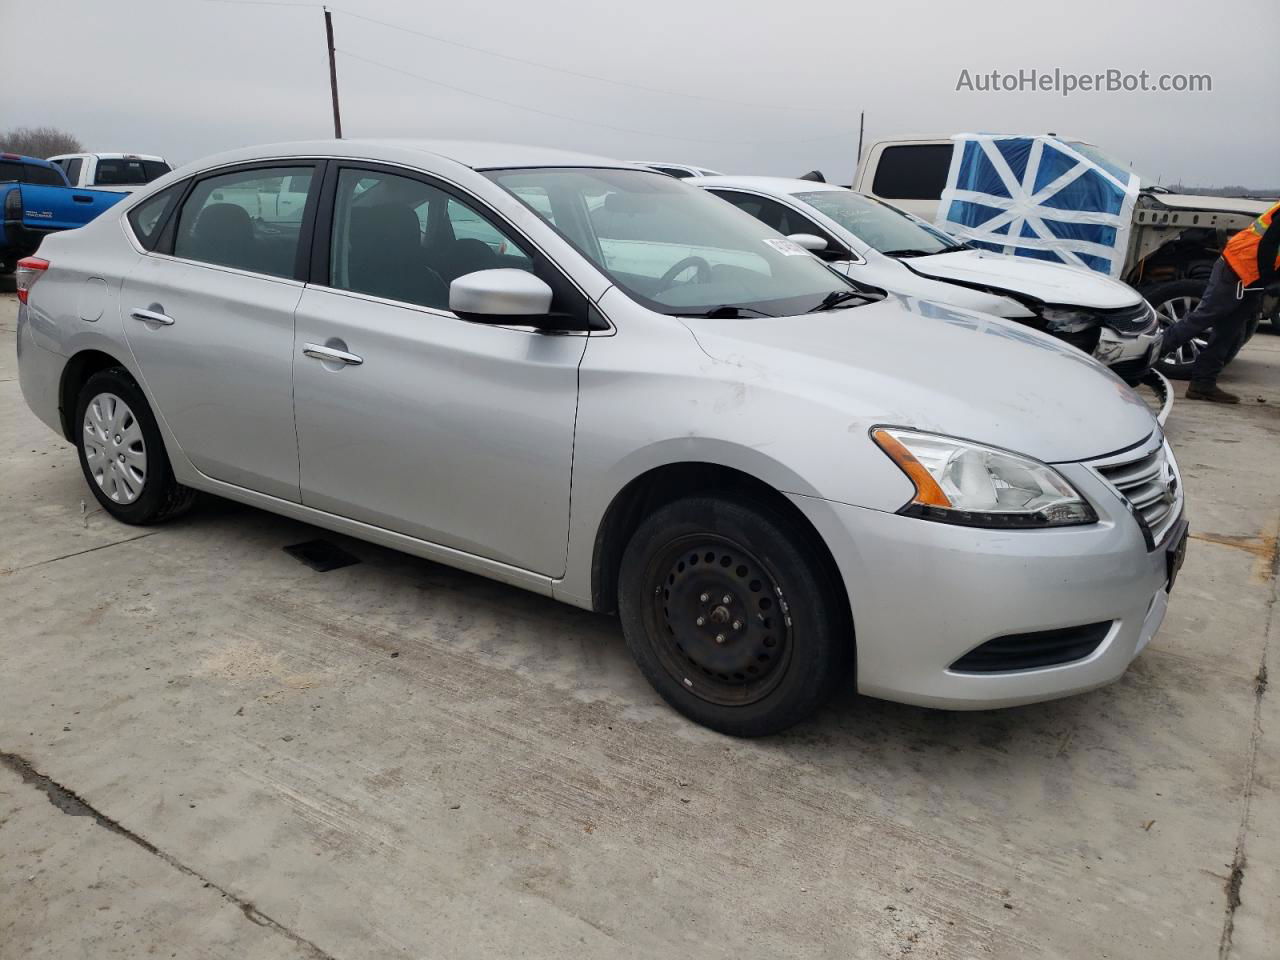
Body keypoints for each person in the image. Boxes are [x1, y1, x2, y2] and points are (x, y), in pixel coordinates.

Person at [1159, 199, 1280, 403]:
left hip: (1252, 277)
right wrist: (1268, 279)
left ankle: (1202, 384)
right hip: (1237, 269)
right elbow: (1268, 245)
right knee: (1202, 318)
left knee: (1229, 331)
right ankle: (1141, 358)